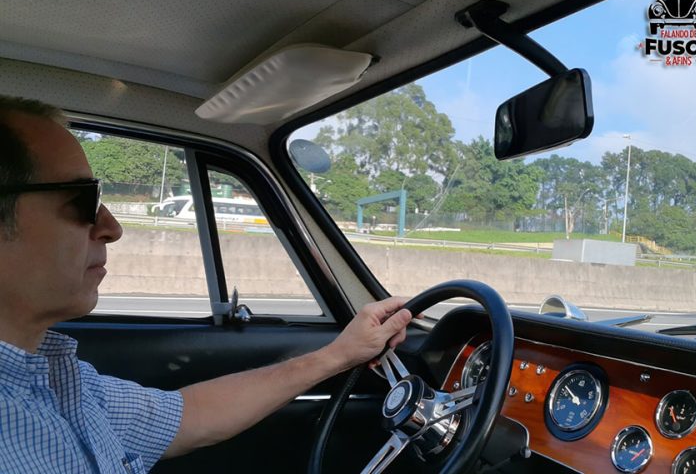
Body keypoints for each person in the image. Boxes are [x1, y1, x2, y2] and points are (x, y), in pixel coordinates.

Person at [0, 96, 412, 473]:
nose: (112, 227)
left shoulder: (58, 380)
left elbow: (190, 414)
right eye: (82, 199)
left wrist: (339, 354)